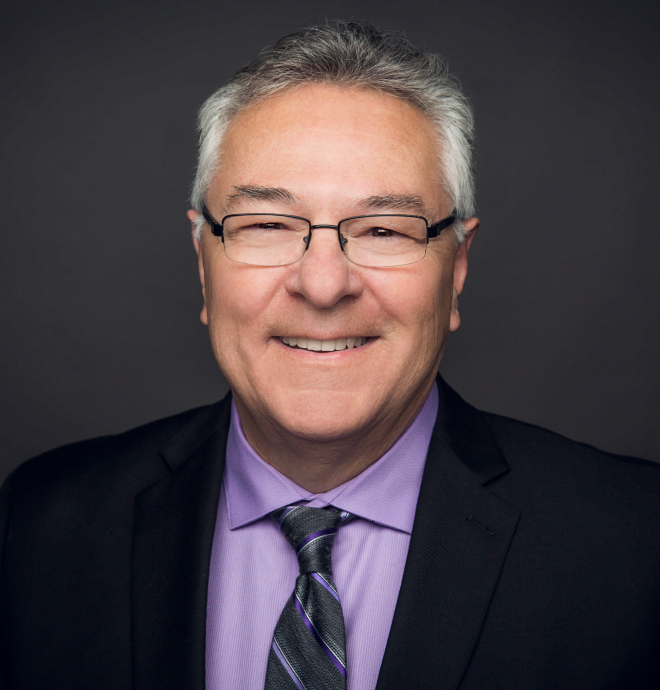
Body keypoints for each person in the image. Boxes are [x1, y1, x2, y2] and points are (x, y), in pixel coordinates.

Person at [0, 21, 658, 690]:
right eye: (267, 225)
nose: (322, 284)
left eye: (382, 229)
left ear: (456, 268)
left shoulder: (635, 544)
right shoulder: (43, 526)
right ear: (204, 261)